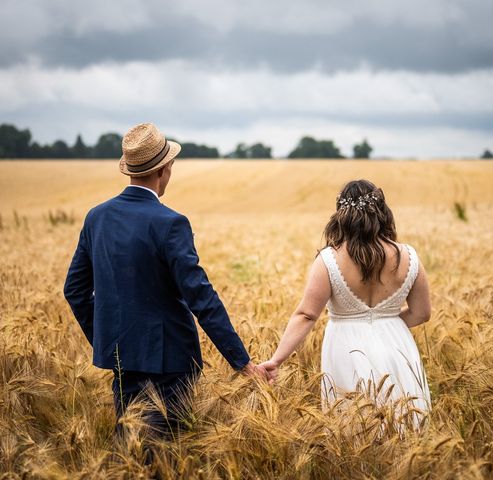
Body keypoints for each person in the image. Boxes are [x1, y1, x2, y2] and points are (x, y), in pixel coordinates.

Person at [63, 123, 271, 440]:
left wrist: (111, 342)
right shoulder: (170, 223)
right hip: (169, 363)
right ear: (165, 168)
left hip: (123, 362)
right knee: (166, 456)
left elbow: (75, 291)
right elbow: (202, 299)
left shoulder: (97, 217)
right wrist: (242, 363)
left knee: (131, 452)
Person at [260, 179, 431, 423]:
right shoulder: (409, 256)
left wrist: (277, 359)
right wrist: (386, 323)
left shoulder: (329, 260)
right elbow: (422, 313)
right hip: (397, 343)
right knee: (403, 419)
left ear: (342, 214)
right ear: (383, 212)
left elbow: (307, 315)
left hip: (345, 347)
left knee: (353, 423)